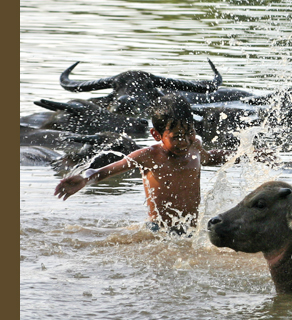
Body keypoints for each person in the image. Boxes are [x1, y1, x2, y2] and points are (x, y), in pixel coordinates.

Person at [54, 94, 241, 235]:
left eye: (189, 132)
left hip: (192, 229)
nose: (184, 142)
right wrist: (85, 178)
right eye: (176, 137)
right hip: (159, 232)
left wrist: (245, 154)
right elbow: (104, 171)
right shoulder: (148, 156)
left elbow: (210, 158)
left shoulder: (195, 146)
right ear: (156, 135)